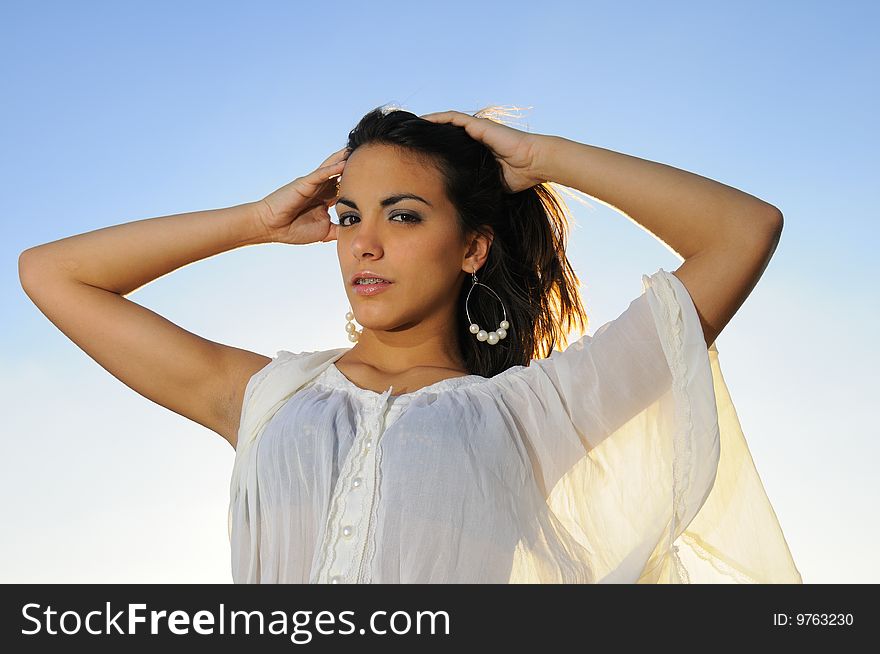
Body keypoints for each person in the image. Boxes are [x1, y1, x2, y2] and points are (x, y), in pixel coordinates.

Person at [19, 104, 802, 584]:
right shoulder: (265, 396)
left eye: (402, 216)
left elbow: (743, 230)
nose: (363, 243)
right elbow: (52, 274)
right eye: (350, 216)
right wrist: (252, 221)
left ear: (472, 247)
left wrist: (545, 158)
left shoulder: (536, 413)